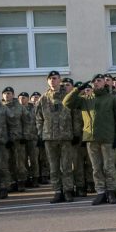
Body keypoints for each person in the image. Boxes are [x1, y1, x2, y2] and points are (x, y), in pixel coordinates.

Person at [63, 74, 116, 205]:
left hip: (108, 138)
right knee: (96, 168)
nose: (96, 83)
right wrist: (78, 89)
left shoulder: (111, 99)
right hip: (91, 138)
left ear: (105, 83)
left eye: (99, 81)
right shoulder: (85, 99)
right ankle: (101, 193)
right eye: (94, 81)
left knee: (109, 167)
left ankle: (111, 192)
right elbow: (67, 103)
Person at [36, 71, 76, 203]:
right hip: (49, 137)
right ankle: (58, 191)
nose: (52, 81)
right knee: (53, 167)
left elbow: (75, 116)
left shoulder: (68, 96)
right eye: (50, 79)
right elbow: (39, 119)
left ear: (60, 80)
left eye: (55, 78)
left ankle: (68, 190)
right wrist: (41, 135)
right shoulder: (43, 98)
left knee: (66, 166)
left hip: (66, 136)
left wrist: (76, 134)